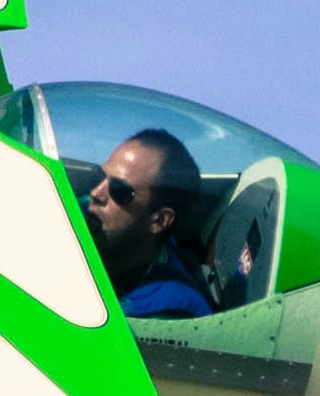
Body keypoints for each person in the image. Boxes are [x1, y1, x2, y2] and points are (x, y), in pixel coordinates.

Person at [87, 128, 220, 317]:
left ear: (159, 220)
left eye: (119, 190)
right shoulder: (73, 206)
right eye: (99, 176)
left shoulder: (174, 312)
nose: (96, 193)